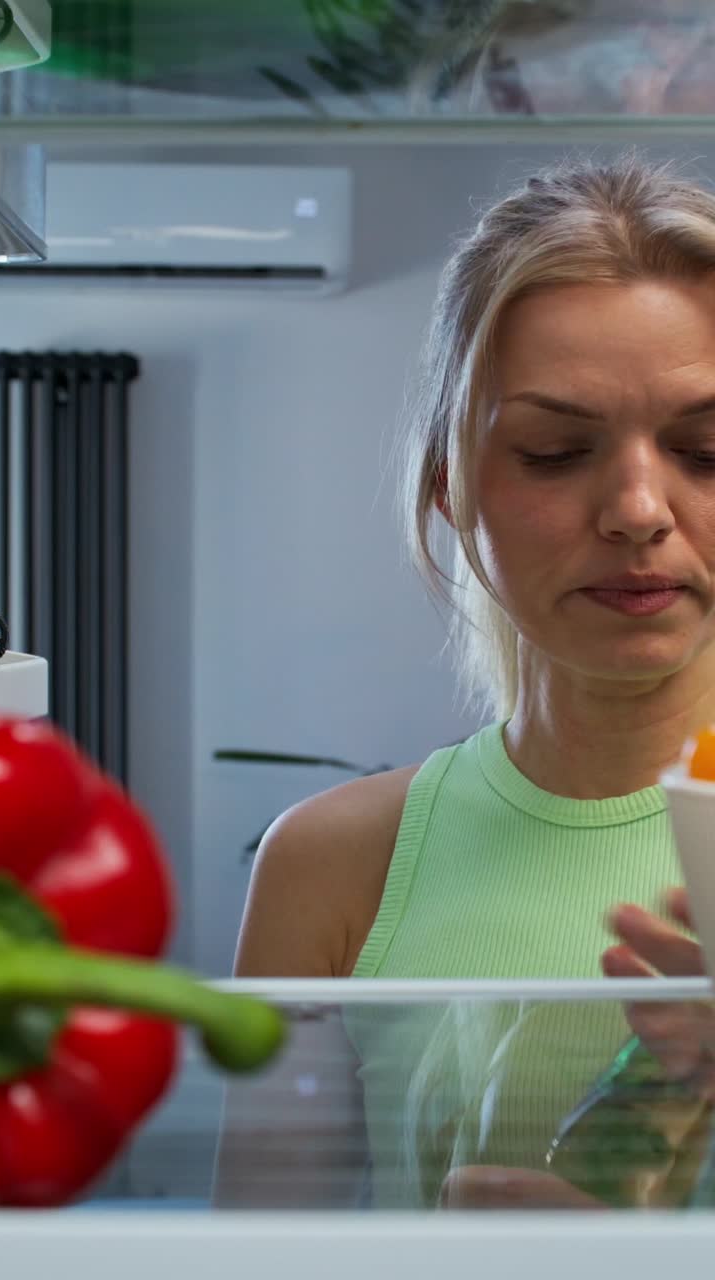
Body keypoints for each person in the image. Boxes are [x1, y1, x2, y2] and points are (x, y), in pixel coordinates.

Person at [214, 152, 715, 1211]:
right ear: (447, 480)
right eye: (552, 450)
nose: (637, 508)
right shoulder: (330, 866)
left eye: (706, 449)